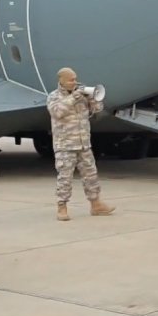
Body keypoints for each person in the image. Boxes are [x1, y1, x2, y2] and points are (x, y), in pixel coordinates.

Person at [47, 68, 115, 222]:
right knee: (65, 178)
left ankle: (96, 204)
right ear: (62, 81)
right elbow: (57, 112)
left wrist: (93, 99)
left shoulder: (81, 95)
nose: (74, 82)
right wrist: (74, 98)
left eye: (75, 78)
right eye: (71, 79)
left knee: (91, 176)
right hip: (65, 145)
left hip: (84, 144)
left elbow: (98, 110)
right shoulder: (54, 96)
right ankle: (62, 207)